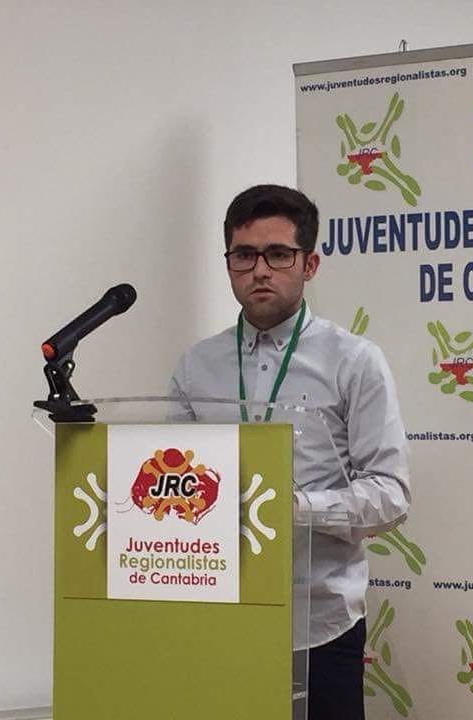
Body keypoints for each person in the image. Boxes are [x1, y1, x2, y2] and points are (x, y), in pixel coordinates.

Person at [169, 184, 410, 720]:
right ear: (228, 263)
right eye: (244, 255)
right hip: (220, 618)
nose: (260, 270)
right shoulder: (195, 366)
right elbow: (177, 488)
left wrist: (295, 508)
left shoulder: (354, 361)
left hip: (319, 624)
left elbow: (391, 495)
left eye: (278, 254)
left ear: (310, 264)